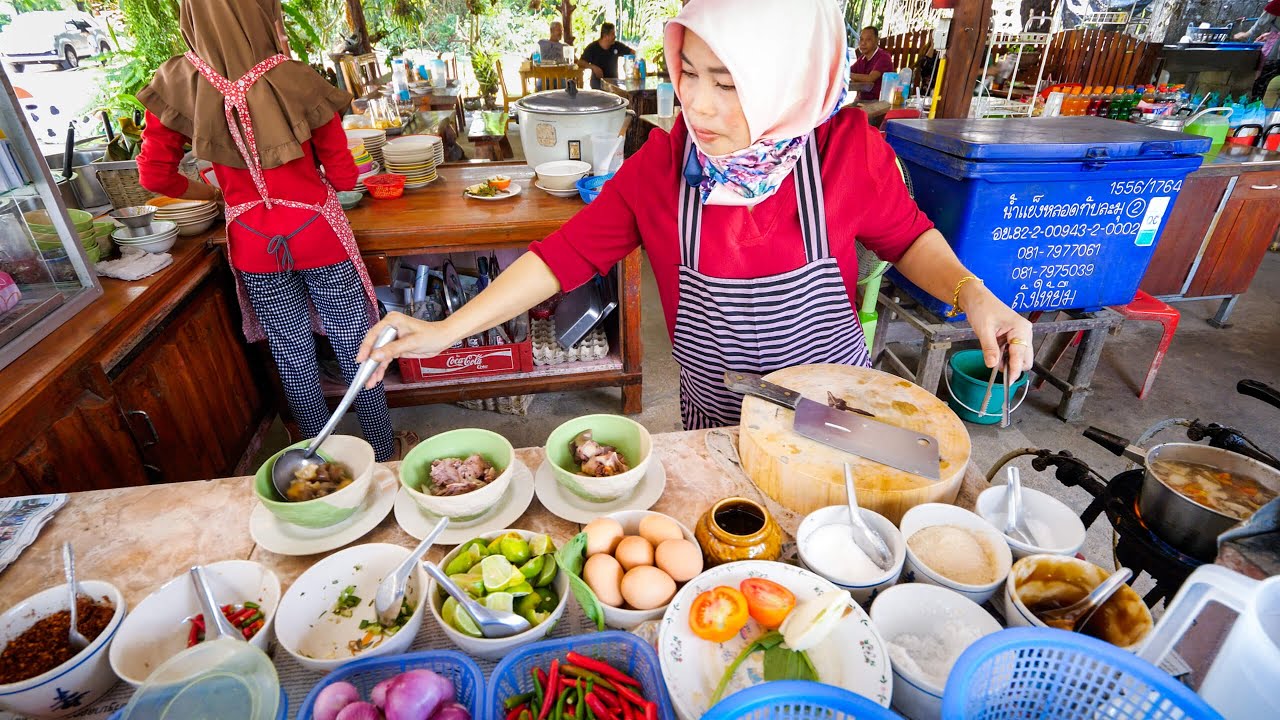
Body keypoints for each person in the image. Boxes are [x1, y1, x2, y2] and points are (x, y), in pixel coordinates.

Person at [359, 0, 1032, 431]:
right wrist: (446, 329)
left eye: (729, 84)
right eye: (689, 73)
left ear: (790, 83)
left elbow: (909, 238)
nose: (700, 107)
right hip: (718, 418)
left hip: (835, 414)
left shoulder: (842, 153)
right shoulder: (663, 166)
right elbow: (560, 257)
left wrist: (974, 296)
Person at [137, 0, 400, 461]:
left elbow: (155, 177)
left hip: (254, 245)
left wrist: (215, 194)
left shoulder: (176, 83)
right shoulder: (297, 78)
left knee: (293, 353)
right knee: (357, 348)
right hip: (319, 237)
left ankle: (321, 460)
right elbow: (343, 178)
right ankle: (381, 452)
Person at [1235, 1, 1280, 100]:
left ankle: (1255, 107)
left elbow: (1260, 24)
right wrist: (1270, 34)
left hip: (1276, 53)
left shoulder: (1276, 4)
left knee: (1264, 81)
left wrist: (1246, 34)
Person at [578, 22, 635, 89]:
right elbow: (580, 62)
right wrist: (593, 67)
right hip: (597, 85)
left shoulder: (616, 45)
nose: (615, 36)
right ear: (605, 36)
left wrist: (629, 64)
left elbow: (632, 53)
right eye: (612, 34)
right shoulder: (592, 47)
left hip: (613, 85)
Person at [850, 26, 895, 99]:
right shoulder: (862, 59)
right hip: (863, 101)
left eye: (868, 39)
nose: (863, 43)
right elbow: (848, 71)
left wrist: (847, 74)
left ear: (877, 40)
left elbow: (870, 78)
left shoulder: (884, 57)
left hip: (879, 103)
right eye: (861, 39)